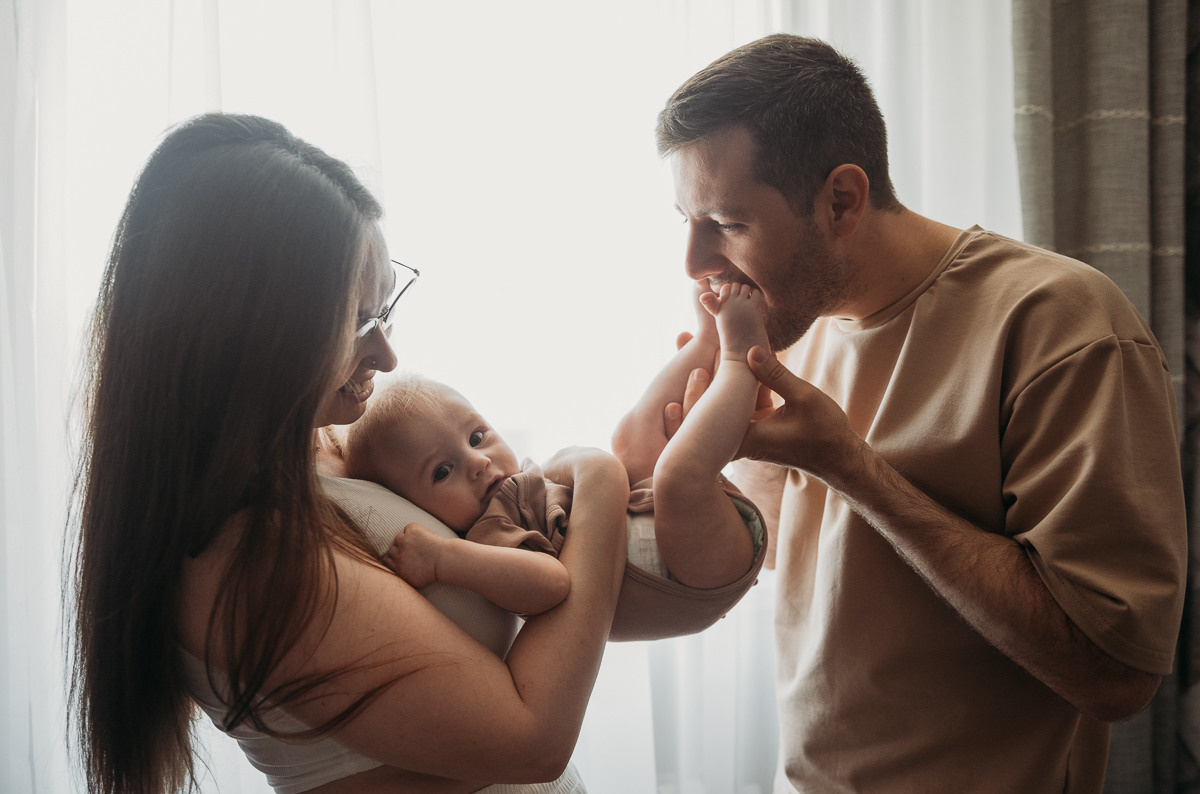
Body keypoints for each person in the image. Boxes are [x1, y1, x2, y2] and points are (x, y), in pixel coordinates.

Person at [651, 34, 1188, 792]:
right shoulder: (789, 327)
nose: (694, 263)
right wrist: (721, 454)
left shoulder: (1061, 324)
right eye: (687, 221)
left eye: (727, 224)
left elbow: (1116, 676)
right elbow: (808, 568)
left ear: (841, 199)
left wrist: (853, 468)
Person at [68, 112, 629, 794]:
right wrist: (600, 480)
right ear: (250, 338)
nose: (388, 355)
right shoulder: (246, 560)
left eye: (385, 310)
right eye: (357, 323)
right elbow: (529, 741)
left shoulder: (328, 442)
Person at [339, 282, 767, 615]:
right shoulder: (486, 537)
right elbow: (551, 583)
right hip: (695, 571)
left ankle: (706, 340)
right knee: (679, 474)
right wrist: (443, 559)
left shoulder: (516, 488)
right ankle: (738, 356)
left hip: (666, 520)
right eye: (441, 472)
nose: (478, 462)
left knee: (628, 441)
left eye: (476, 437)